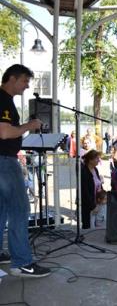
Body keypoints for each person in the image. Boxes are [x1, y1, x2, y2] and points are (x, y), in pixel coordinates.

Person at [0, 64, 50, 277]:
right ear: (12, 78)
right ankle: (22, 263)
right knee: (20, 210)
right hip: (4, 161)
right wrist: (29, 126)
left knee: (2, 209)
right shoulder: (2, 99)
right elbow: (4, 132)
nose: (27, 86)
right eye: (25, 81)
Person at [81, 150, 103, 229]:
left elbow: (98, 185)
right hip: (88, 206)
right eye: (97, 158)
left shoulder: (95, 169)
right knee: (87, 227)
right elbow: (85, 191)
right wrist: (92, 206)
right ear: (90, 160)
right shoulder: (83, 171)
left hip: (96, 203)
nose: (98, 160)